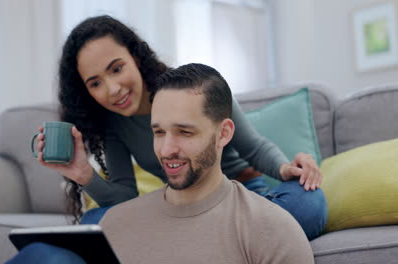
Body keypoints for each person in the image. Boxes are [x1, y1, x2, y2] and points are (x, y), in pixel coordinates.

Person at [34, 15, 326, 239]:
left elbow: (254, 147)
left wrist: (284, 168)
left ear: (135, 57)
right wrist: (85, 175)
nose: (112, 89)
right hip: (182, 208)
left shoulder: (195, 86)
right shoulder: (115, 124)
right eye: (95, 83)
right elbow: (123, 199)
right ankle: (211, 241)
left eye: (116, 68)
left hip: (241, 198)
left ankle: (201, 241)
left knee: (307, 204)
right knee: (94, 223)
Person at [7, 63, 315, 264]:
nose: (167, 149)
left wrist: (286, 169)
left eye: (184, 132)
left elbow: (257, 148)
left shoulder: (273, 230)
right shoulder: (115, 224)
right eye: (158, 132)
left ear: (223, 133)